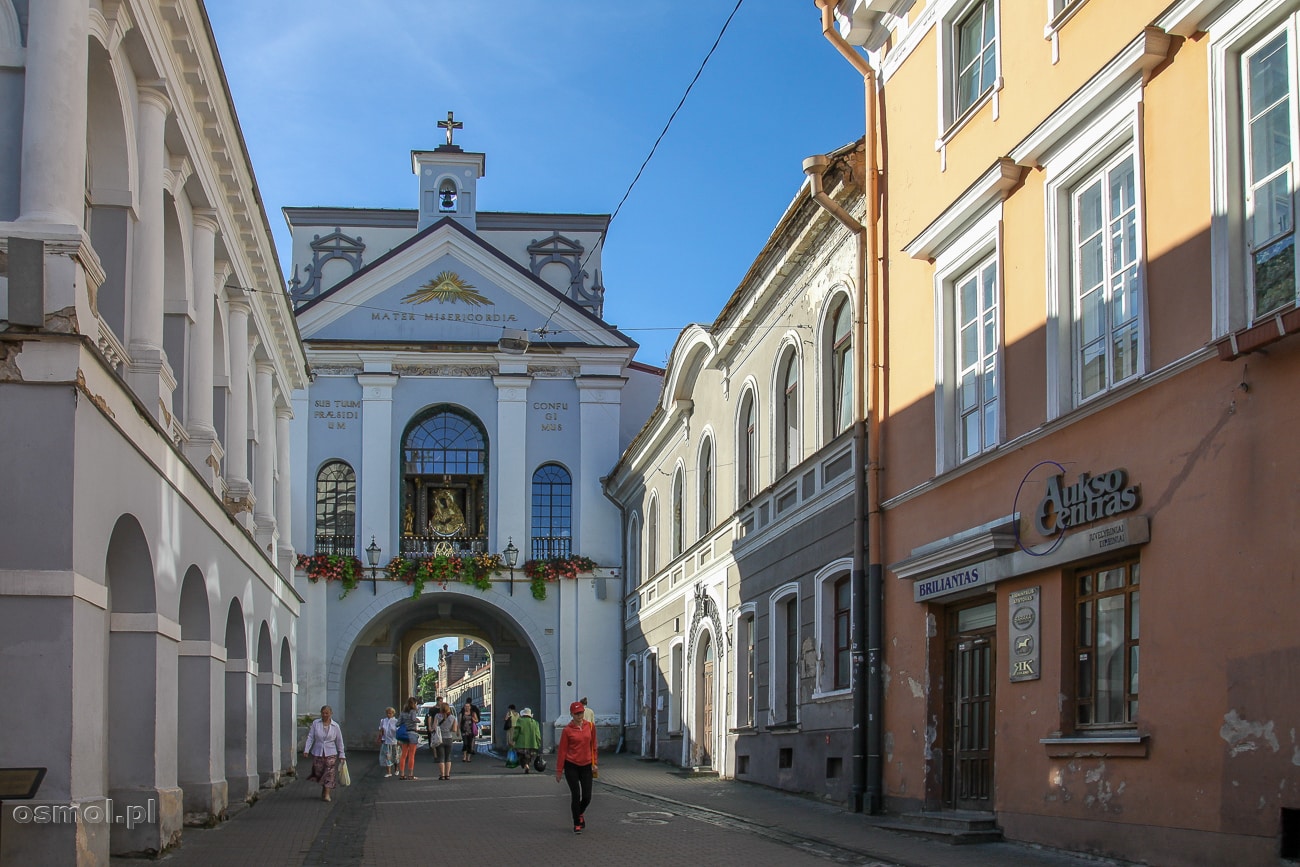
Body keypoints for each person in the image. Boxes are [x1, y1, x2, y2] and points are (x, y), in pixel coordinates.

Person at [555, 700, 599, 833]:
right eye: (576, 714)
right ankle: (576, 822)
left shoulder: (590, 727)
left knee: (587, 796)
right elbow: (562, 750)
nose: (579, 716)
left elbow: (594, 746)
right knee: (576, 794)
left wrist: (594, 763)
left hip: (586, 765)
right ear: (571, 715)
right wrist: (559, 770)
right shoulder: (567, 731)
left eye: (581, 713)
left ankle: (580, 812)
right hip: (571, 765)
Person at [304, 705, 346, 802]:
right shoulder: (316, 723)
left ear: (331, 714)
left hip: (331, 752)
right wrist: (306, 749)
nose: (325, 715)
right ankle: (324, 787)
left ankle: (327, 793)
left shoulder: (335, 726)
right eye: (323, 713)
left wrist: (342, 754)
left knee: (329, 773)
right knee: (319, 772)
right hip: (318, 751)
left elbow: (339, 741)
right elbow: (310, 737)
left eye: (327, 713)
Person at [431, 697, 458, 780]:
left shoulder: (437, 716)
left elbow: (434, 727)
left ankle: (442, 775)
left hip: (440, 739)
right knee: (448, 757)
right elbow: (454, 729)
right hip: (449, 738)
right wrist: (448, 729)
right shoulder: (453, 718)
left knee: (441, 757)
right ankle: (447, 775)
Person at [397, 696, 422, 780]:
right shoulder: (413, 711)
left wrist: (404, 723)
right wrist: (418, 720)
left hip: (404, 734)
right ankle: (410, 774)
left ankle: (402, 774)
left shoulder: (402, 712)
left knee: (403, 755)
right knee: (411, 755)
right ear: (414, 704)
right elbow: (413, 719)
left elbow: (397, 723)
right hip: (412, 734)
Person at [513, 707, 542, 774]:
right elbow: (538, 734)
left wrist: (514, 739)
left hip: (521, 743)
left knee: (521, 755)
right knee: (529, 756)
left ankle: (525, 765)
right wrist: (538, 742)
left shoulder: (520, 721)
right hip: (532, 743)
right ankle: (527, 764)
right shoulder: (535, 723)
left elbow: (516, 732)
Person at [376, 706, 399, 778]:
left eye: (390, 713)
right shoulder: (383, 720)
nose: (388, 714)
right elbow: (381, 729)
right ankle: (389, 772)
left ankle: (396, 769)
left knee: (395, 756)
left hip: (394, 741)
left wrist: (399, 740)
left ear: (393, 713)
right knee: (387, 756)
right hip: (386, 741)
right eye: (387, 713)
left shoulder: (396, 721)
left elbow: (398, 731)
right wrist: (379, 738)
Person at [458, 698, 479, 763]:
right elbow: (459, 722)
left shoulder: (473, 713)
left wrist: (473, 719)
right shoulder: (462, 713)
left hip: (471, 730)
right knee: (465, 743)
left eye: (468, 706)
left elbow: (477, 720)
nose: (467, 707)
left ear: (470, 707)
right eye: (465, 706)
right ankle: (464, 757)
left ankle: (468, 758)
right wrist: (458, 731)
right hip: (464, 730)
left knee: (469, 744)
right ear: (464, 707)